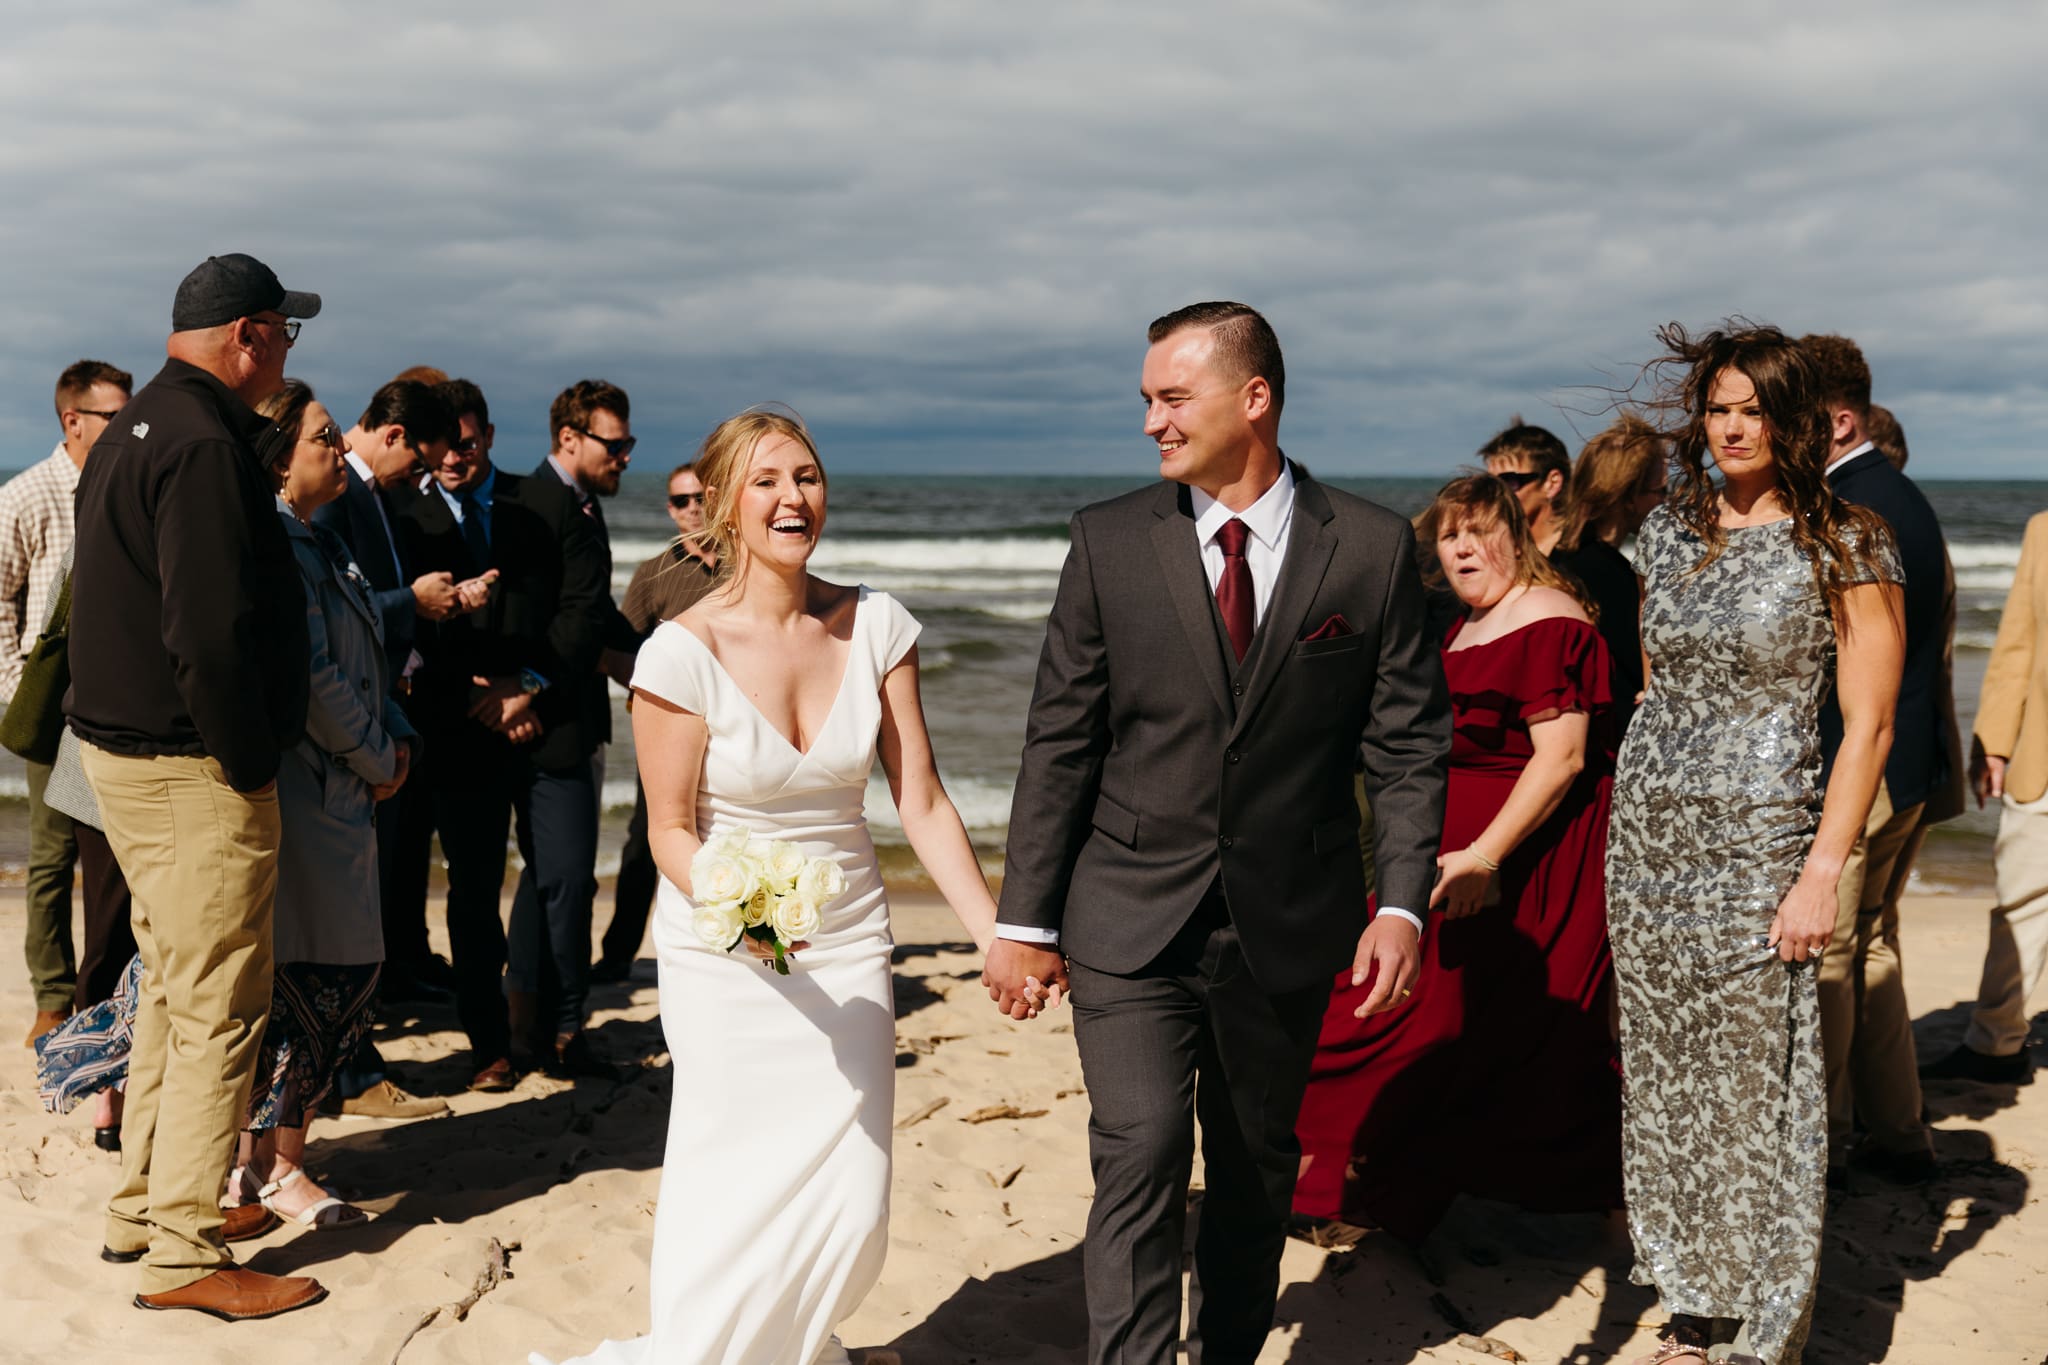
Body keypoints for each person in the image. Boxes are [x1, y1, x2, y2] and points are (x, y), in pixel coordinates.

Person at [989, 302, 1450, 1364]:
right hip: (1124, 914)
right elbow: (1060, 737)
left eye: (1169, 397)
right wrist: (1025, 918)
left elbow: (1407, 746)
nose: (1150, 421)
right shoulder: (1106, 541)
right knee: (1140, 1152)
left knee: (1251, 1170)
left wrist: (1397, 902)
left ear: (1253, 400)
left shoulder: (1371, 549)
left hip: (1286, 920)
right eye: (1145, 400)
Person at [531, 407, 1014, 1365]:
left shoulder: (877, 624)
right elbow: (668, 828)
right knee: (732, 1175)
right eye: (766, 481)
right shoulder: (680, 651)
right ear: (719, 506)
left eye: (807, 476)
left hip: (848, 942)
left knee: (854, 1197)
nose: (793, 498)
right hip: (730, 953)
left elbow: (919, 799)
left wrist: (993, 932)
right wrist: (750, 917)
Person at [1607, 322, 1902, 1365]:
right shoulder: (1664, 531)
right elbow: (1655, 683)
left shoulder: (1848, 540)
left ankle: (1747, 1317)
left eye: (1753, 411)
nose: (1731, 428)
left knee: (1748, 1076)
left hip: (1762, 836)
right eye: (1717, 408)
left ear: (1793, 423)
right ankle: (1688, 1299)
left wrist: (1819, 871)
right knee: (1663, 1070)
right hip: (1645, 838)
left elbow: (1866, 724)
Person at [68, 252, 325, 1318]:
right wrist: (249, 758)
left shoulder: (137, 429)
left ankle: (146, 1208)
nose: (286, 355)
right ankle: (182, 1249)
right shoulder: (199, 444)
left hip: (126, 755)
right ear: (248, 336)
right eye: (284, 335)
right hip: (187, 763)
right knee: (222, 1000)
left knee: (179, 988)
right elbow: (208, 630)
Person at [1294, 474, 1621, 1240]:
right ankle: (1368, 1184)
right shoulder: (1465, 623)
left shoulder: (1549, 616)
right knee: (1386, 1008)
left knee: (1407, 1015)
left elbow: (1563, 758)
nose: (1465, 546)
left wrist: (1484, 855)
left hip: (1521, 854)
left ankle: (1367, 1188)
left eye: (1481, 530)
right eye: (1449, 534)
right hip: (1447, 848)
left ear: (1520, 533)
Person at [219, 379, 417, 1224]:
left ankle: (270, 1159)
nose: (342, 451)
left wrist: (399, 730)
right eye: (324, 438)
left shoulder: (318, 538)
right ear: (276, 458)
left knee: (327, 976)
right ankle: (271, 1165)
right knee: (313, 979)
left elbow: (367, 649)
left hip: (340, 789)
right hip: (307, 794)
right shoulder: (275, 545)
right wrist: (378, 753)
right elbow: (313, 678)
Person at [396, 378, 611, 1089]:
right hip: (460, 734)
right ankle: (489, 1042)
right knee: (473, 890)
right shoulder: (404, 514)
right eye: (442, 447)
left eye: (466, 442)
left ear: (487, 434)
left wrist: (529, 689)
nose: (453, 458)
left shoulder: (548, 502)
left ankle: (566, 1025)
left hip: (550, 722)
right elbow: (401, 630)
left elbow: (582, 612)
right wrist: (477, 697)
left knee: (567, 880)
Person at [1800, 332, 1953, 1184]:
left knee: (1828, 961)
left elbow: (1847, 671)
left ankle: (1822, 1142)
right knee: (1873, 945)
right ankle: (1901, 1131)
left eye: (1794, 415)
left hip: (1863, 771)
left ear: (1840, 418)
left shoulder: (1858, 511)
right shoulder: (1901, 494)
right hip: (1911, 769)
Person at [313, 377, 476, 1121]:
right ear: (393, 434)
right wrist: (412, 601)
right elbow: (334, 612)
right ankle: (351, 1068)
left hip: (383, 713)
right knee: (352, 911)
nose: (420, 481)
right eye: (418, 464)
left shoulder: (376, 494)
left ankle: (354, 1059)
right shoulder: (339, 491)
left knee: (371, 905)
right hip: (349, 723)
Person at [6, 359, 131, 1047]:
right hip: (52, 702)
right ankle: (54, 1000)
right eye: (115, 415)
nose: (129, 426)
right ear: (72, 419)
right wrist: (12, 689)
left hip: (119, 701)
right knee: (54, 856)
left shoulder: (128, 483)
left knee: (119, 858)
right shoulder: (27, 495)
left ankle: (107, 992)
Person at [1921, 507, 2048, 1084]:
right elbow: (2017, 642)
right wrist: (1994, 740)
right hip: (2042, 757)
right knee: (2020, 899)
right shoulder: (2042, 529)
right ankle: (1996, 1044)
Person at [596, 460, 721, 982]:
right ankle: (618, 956)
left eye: (698, 498)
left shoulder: (753, 565)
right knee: (648, 841)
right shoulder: (655, 572)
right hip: (674, 736)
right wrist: (662, 700)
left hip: (744, 734)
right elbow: (618, 650)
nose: (691, 509)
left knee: (733, 840)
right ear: (669, 510)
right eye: (680, 501)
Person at [1549, 414, 1668, 734]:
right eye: (1660, 492)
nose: (1665, 503)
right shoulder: (1607, 577)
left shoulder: (1561, 559)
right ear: (1629, 497)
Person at [1479, 417, 1572, 554]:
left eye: (1509, 482)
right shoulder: (1490, 556)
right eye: (1490, 484)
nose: (1495, 494)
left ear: (1552, 483)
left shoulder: (1586, 562)